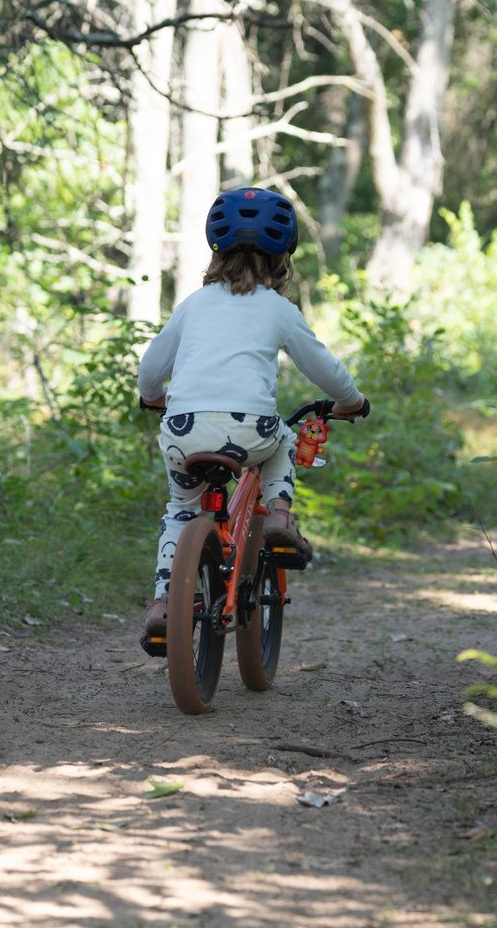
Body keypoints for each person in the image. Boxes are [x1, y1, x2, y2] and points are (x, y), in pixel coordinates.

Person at [135, 188, 368, 654]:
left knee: (181, 510)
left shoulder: (194, 305)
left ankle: (163, 604)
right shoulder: (278, 309)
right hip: (252, 431)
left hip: (182, 431)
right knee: (281, 439)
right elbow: (323, 368)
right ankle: (280, 515)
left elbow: (150, 369)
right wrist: (351, 401)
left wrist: (153, 398)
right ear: (284, 255)